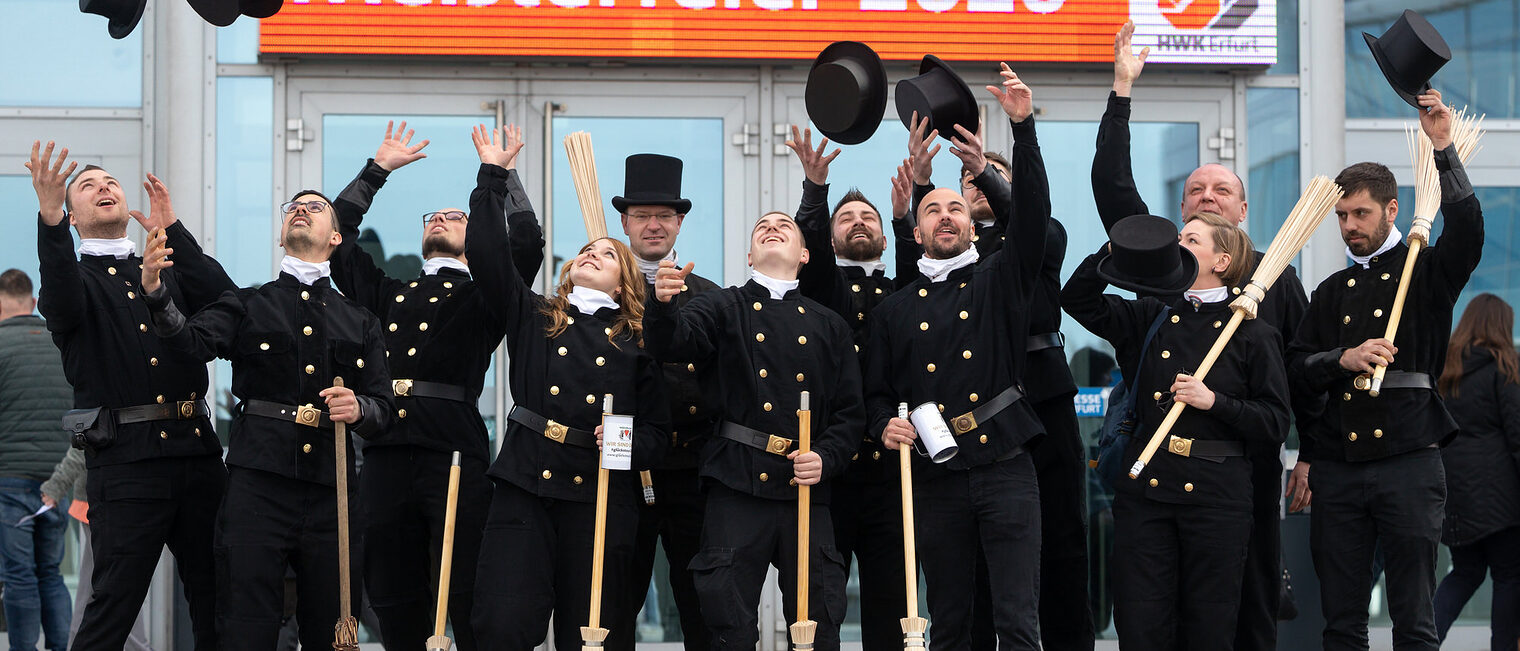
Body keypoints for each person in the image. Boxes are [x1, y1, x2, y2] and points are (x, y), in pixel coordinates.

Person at [1099, 22, 1316, 648]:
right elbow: (1114, 193)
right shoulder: (1161, 281)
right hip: (1159, 474)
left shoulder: (1278, 282)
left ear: (1241, 213)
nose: (1207, 198)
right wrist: (1120, 92)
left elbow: (1298, 374)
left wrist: (1311, 454)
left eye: (1222, 191)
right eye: (1196, 191)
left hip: (1240, 469)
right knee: (1154, 614)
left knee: (1240, 609)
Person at [139, 184, 395, 651]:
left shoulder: (361, 320)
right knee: (244, 624)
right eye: (293, 208)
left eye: (315, 208)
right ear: (281, 234)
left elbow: (386, 410)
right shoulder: (248, 304)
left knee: (330, 627)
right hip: (257, 485)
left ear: (335, 238)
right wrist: (156, 296)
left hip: (331, 492)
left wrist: (361, 408)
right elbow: (191, 344)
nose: (301, 210)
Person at [328, 121, 543, 651]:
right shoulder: (388, 293)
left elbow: (526, 247)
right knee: (391, 588)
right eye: (435, 216)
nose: (442, 219)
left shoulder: (486, 294)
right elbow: (338, 243)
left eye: (456, 216)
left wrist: (501, 175)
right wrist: (375, 172)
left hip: (452, 447)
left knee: (465, 583)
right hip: (383, 450)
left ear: (475, 237)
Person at [1286, 89, 1483, 651]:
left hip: (1410, 460)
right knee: (1341, 621)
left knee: (1413, 618)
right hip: (1341, 467)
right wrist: (1340, 360)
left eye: (1360, 213)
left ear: (1392, 209)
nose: (1349, 225)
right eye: (1342, 215)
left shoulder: (1426, 271)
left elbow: (1467, 233)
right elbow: (1298, 368)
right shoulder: (1329, 291)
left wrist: (1444, 150)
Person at [866, 64, 1048, 650]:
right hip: (937, 473)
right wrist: (882, 425)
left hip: (1005, 462)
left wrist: (1017, 134)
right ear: (914, 231)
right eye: (932, 210)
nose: (946, 215)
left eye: (956, 209)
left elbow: (1032, 222)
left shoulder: (1000, 278)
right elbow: (875, 392)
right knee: (949, 623)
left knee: (1017, 622)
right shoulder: (895, 309)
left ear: (973, 224)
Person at [28, 142, 233, 651]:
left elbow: (228, 301)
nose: (104, 187)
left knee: (220, 602)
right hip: (126, 463)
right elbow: (58, 296)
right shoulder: (75, 279)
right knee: (112, 606)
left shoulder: (167, 268)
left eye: (111, 182)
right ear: (74, 216)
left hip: (198, 454)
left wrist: (175, 231)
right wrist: (49, 220)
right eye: (88, 185)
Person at [466, 146, 672, 651]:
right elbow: (490, 259)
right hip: (525, 480)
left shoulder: (640, 341)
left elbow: (657, 435)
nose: (589, 254)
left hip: (600, 492)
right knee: (502, 621)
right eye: (586, 249)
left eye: (605, 253)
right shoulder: (537, 315)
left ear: (625, 282)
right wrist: (493, 178)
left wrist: (619, 441)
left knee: (594, 633)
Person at [903, 117, 1090, 650]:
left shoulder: (1035, 239)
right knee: (971, 551)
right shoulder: (950, 252)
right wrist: (921, 185)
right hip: (970, 411)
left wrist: (987, 171)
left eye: (987, 180)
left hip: (1040, 396)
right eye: (964, 184)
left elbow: (1031, 220)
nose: (973, 186)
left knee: (1060, 538)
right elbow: (914, 274)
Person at [1063, 212, 1290, 650]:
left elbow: (1275, 421)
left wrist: (1215, 401)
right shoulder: (1152, 315)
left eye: (1190, 239)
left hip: (1217, 498)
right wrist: (1116, 250)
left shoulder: (1253, 333)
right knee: (1141, 625)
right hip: (1146, 493)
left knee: (1208, 629)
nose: (1177, 243)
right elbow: (1078, 300)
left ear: (1221, 260)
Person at [645, 210, 863, 651]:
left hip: (806, 486)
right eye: (762, 227)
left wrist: (825, 457)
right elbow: (674, 343)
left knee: (817, 620)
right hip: (737, 482)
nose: (771, 228)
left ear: (804, 254)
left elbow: (849, 415)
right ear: (749, 254)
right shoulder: (722, 306)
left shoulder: (829, 325)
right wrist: (663, 305)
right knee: (727, 620)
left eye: (784, 226)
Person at [784, 126, 909, 650]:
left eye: (869, 218)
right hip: (828, 472)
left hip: (891, 471)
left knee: (894, 605)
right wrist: (816, 190)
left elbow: (924, 262)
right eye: (846, 218)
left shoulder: (907, 286)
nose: (858, 224)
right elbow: (807, 250)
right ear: (830, 237)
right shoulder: (819, 286)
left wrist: (909, 211)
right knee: (819, 606)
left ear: (885, 234)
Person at [608, 153, 720, 651]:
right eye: (641, 216)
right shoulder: (601, 291)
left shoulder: (710, 296)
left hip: (694, 469)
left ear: (679, 223)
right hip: (621, 468)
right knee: (614, 600)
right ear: (625, 223)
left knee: (702, 602)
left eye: (664, 216)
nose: (653, 225)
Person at [1432, 293, 1520, 650]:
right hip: (1502, 498)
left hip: (1456, 493)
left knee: (1465, 573)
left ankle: (1422, 641)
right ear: (1501, 326)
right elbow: (1517, 435)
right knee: (1510, 577)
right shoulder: (1504, 366)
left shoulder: (1445, 369)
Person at [0, 269, 74, 651]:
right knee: (50, 574)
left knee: (18, 576)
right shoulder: (60, 343)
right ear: (30, 303)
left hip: (8, 480)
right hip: (57, 481)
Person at [39, 447, 155, 651]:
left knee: (95, 586)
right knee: (118, 584)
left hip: (108, 499)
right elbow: (80, 448)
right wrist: (57, 486)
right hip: (104, 501)